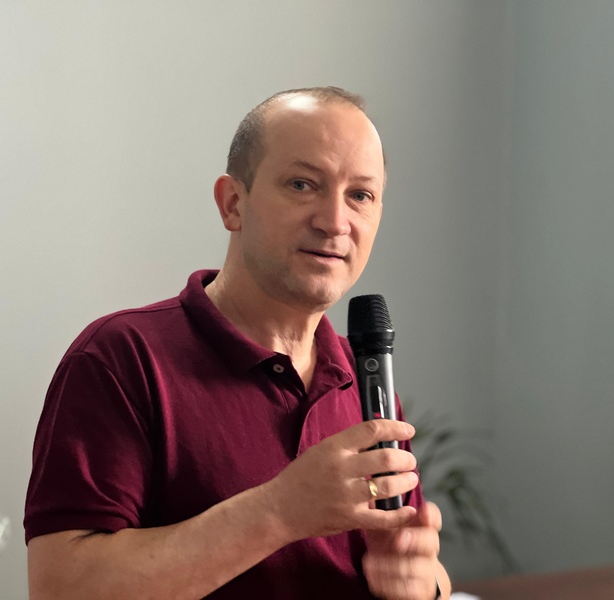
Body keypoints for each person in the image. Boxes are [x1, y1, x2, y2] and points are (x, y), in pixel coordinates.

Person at [25, 86, 451, 599]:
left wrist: (419, 584)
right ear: (233, 203)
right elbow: (62, 588)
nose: (335, 221)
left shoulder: (367, 387)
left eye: (360, 195)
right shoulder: (120, 358)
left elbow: (423, 571)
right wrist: (279, 511)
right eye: (302, 184)